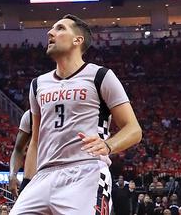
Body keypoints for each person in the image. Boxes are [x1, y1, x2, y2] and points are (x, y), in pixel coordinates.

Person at [10, 15, 143, 215]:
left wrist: (109, 145)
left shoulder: (100, 76)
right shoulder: (37, 84)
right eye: (52, 28)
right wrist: (27, 183)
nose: (50, 32)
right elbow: (36, 140)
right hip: (44, 175)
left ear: (77, 40)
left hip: (86, 171)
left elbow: (134, 129)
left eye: (60, 28)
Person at [8, 109, 34, 198]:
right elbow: (18, 150)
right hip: (32, 177)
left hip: (65, 175)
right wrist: (12, 174)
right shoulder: (30, 116)